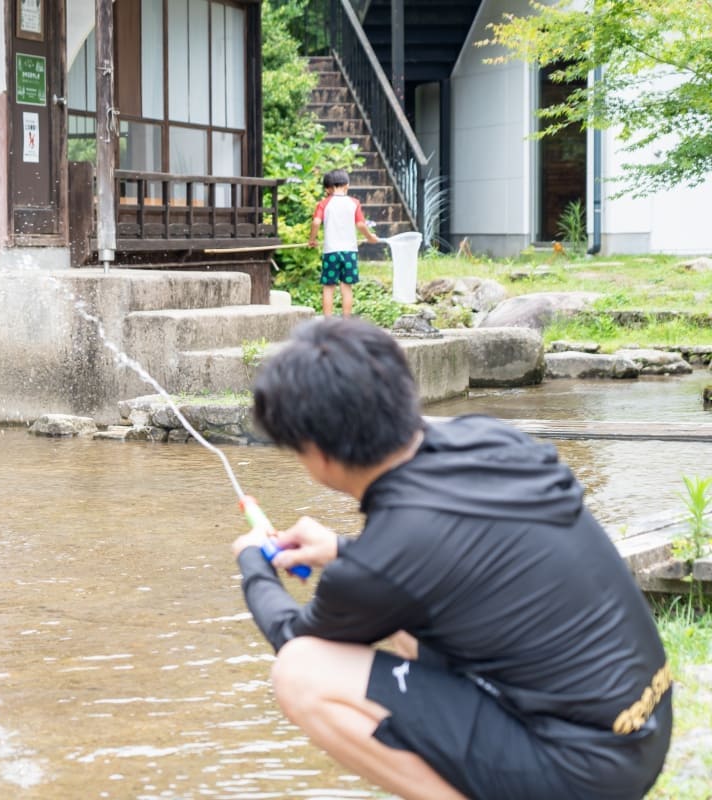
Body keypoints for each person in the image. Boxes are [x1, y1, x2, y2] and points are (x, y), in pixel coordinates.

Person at [232, 317, 671, 800]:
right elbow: (450, 556)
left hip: (581, 772)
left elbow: (295, 637)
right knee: (408, 619)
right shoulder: (487, 438)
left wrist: (254, 561)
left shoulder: (389, 558)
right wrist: (340, 549)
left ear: (317, 454)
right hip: (645, 725)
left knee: (300, 673)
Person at [308, 169, 379, 317]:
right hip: (349, 252)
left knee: (328, 287)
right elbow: (360, 225)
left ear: (327, 189)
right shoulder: (354, 203)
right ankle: (346, 322)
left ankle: (328, 322)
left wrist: (312, 240)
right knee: (347, 287)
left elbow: (316, 222)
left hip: (330, 252)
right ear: (347, 185)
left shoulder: (324, 203)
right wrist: (370, 237)